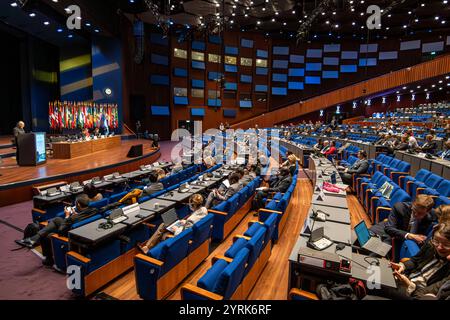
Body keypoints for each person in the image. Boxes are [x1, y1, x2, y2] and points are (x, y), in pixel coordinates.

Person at [369, 223, 450, 300]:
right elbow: (414, 260)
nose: (439, 247)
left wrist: (409, 284)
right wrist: (402, 266)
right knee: (373, 275)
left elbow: (429, 292)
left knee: (376, 285)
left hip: (416, 292)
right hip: (407, 278)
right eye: (436, 241)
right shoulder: (431, 245)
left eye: (446, 244)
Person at [15, 194, 97, 265]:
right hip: (83, 231)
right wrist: (75, 214)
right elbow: (82, 217)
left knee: (47, 236)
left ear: (78, 204)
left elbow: (61, 231)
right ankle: (35, 238)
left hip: (72, 236)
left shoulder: (72, 218)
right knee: (57, 219)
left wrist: (67, 216)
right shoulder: (94, 210)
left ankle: (48, 260)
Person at [137, 194, 208, 254]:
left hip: (184, 236)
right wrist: (185, 222)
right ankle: (149, 247)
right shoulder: (204, 210)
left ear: (193, 206)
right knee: (164, 225)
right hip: (194, 230)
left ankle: (148, 247)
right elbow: (195, 221)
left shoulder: (191, 220)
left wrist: (176, 229)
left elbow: (184, 234)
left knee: (163, 230)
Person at [370, 194, 437, 246]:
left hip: (405, 244)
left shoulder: (433, 214)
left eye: (420, 213)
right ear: (413, 204)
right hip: (390, 235)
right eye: (414, 210)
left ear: (428, 211)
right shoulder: (400, 207)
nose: (416, 214)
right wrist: (409, 235)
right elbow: (389, 228)